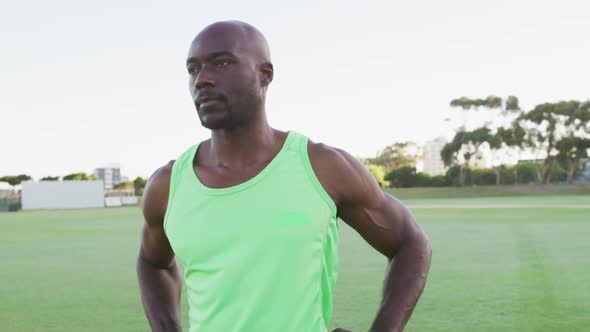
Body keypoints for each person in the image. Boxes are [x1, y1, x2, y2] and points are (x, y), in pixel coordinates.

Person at [137, 20, 432, 332]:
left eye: (221, 62)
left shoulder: (322, 168)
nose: (202, 79)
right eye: (193, 69)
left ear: (265, 74)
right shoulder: (168, 185)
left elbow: (410, 243)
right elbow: (153, 263)